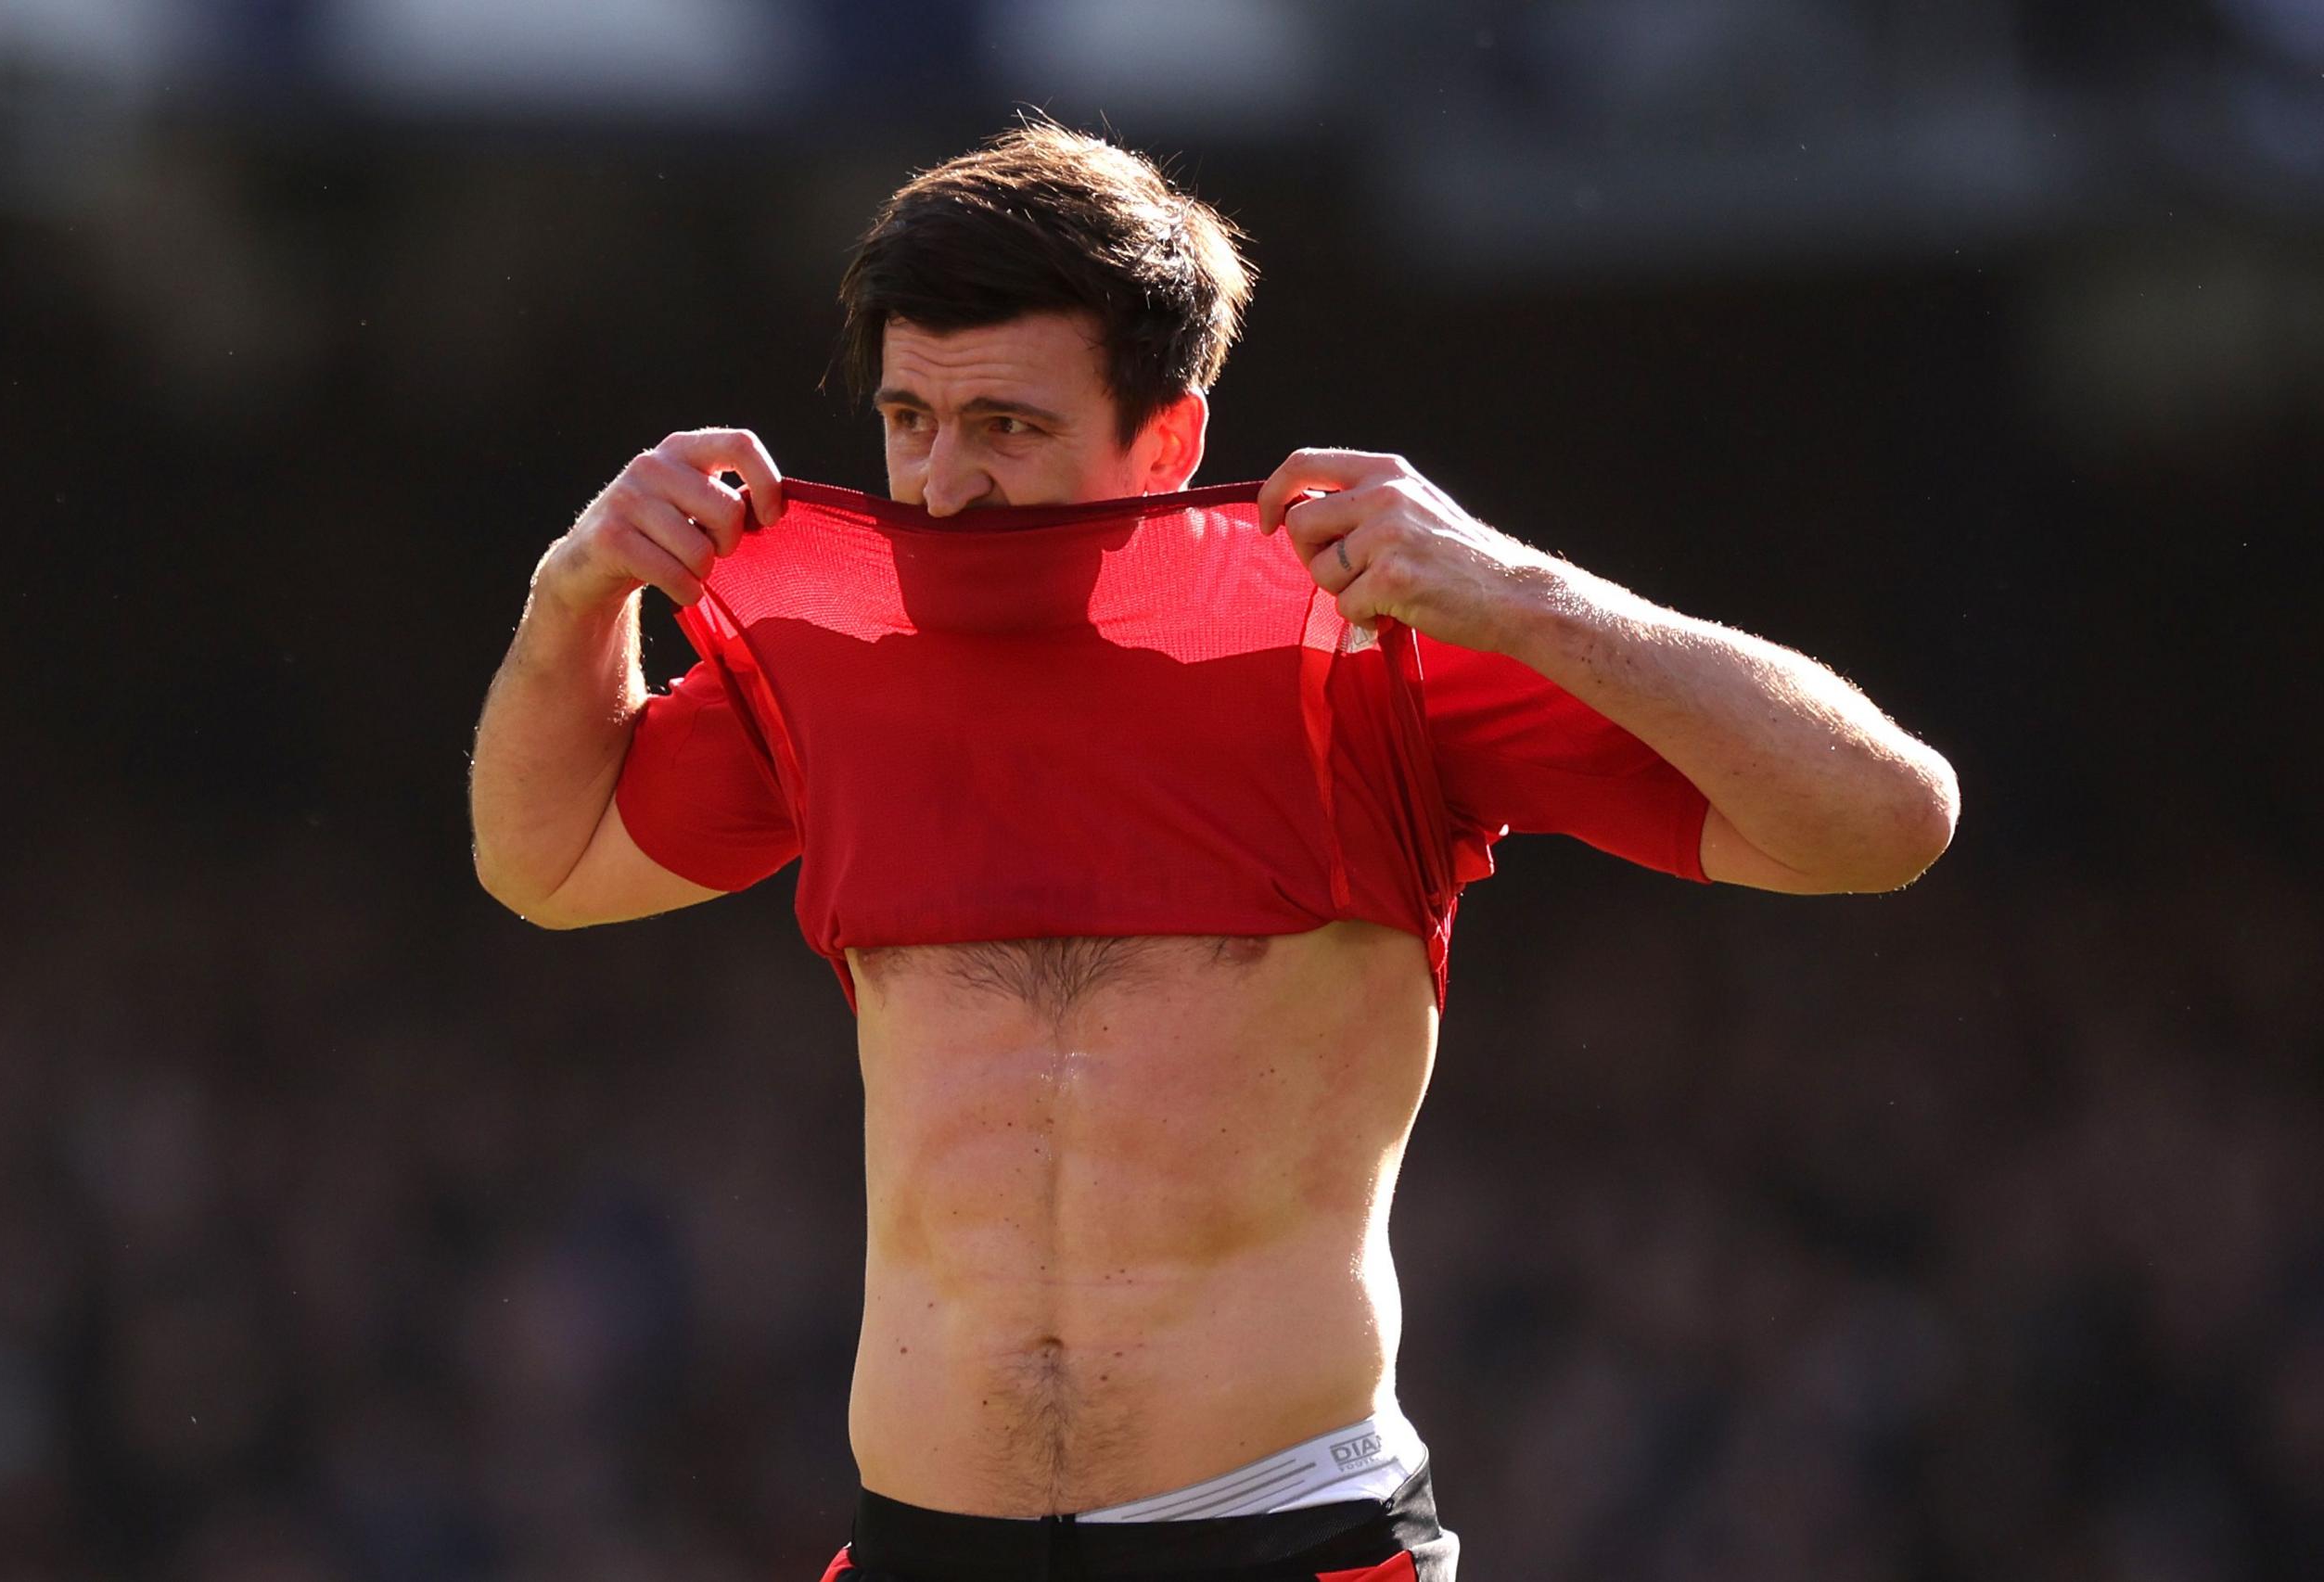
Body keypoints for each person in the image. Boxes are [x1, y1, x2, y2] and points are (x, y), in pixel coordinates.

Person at [468, 121, 1958, 1581]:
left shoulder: (1372, 643)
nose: (941, 481)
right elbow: (546, 862)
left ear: (1167, 434)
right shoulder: (830, 652)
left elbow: (1886, 819)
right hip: (926, 1543)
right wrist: (576, 589)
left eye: (1008, 427)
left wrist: (1523, 591)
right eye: (909, 418)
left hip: (1286, 1536)